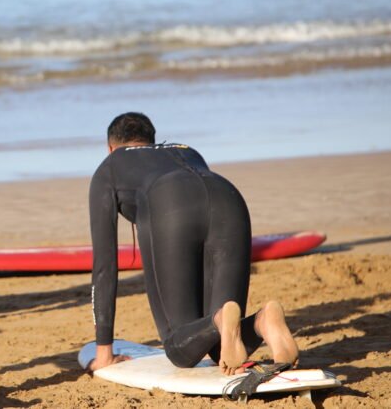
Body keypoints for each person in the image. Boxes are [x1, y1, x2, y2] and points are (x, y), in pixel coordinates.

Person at [86, 113, 300, 376]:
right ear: (152, 142)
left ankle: (224, 318)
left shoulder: (109, 167)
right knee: (219, 345)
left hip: (169, 204)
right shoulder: (187, 151)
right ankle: (262, 322)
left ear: (110, 148)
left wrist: (104, 353)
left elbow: (105, 266)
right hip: (228, 197)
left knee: (179, 347)